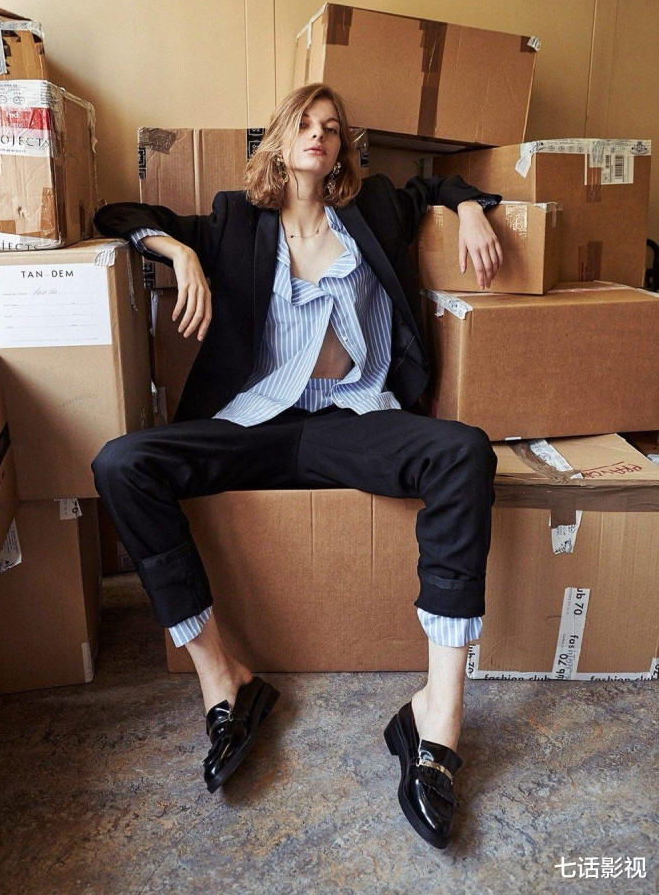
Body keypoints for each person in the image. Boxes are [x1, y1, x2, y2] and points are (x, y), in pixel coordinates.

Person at [90, 83, 503, 849]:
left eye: (332, 128)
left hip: (352, 418)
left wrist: (471, 209)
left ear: (341, 149)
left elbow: (440, 183)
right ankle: (225, 680)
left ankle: (436, 719)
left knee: (464, 452)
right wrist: (178, 250)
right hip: (257, 422)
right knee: (121, 463)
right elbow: (117, 215)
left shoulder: (373, 209)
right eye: (304, 124)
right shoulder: (233, 220)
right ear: (280, 142)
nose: (319, 135)